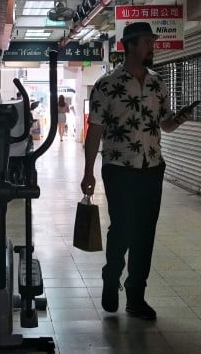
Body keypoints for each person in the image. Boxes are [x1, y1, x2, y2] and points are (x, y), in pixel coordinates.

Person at [80, 22, 190, 320]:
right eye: (145, 42)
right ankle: (110, 275)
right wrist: (88, 172)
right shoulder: (107, 85)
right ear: (129, 46)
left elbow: (164, 124)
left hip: (152, 166)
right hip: (119, 166)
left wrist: (179, 119)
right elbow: (95, 132)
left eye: (151, 43)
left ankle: (136, 296)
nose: (151, 47)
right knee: (123, 227)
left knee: (145, 232)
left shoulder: (158, 83)